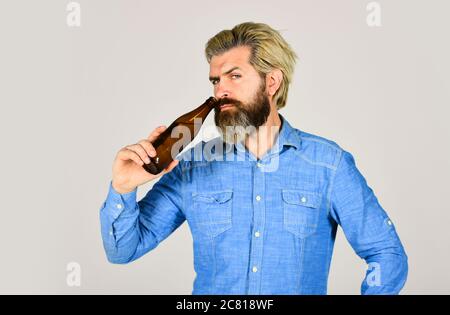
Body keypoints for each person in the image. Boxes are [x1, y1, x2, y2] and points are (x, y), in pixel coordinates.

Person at [99, 22, 408, 295]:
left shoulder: (329, 165)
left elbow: (386, 254)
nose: (221, 91)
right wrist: (123, 188)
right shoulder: (191, 167)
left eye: (234, 76)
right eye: (215, 81)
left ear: (271, 82)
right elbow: (123, 251)